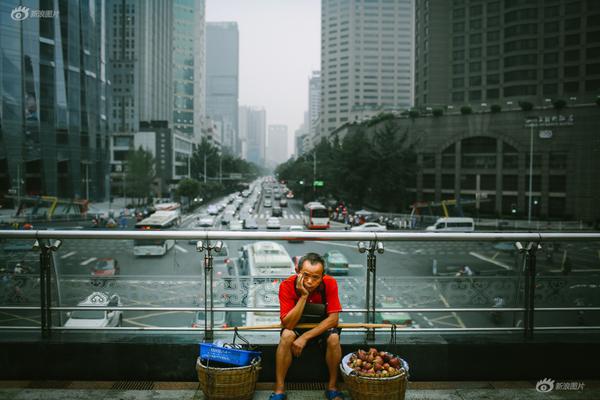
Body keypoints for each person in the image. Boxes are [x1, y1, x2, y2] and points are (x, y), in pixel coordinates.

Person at [270, 253, 344, 400]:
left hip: (320, 327)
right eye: (305, 275)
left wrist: (305, 337)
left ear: (322, 276)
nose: (310, 282)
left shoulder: (330, 283)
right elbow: (288, 324)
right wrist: (303, 296)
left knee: (334, 338)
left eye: (316, 277)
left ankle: (332, 387)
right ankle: (279, 389)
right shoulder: (286, 285)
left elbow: (333, 319)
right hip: (296, 326)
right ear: (298, 272)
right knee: (286, 335)